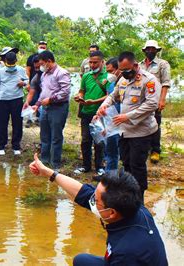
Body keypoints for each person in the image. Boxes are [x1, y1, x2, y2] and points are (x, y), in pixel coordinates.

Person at [29, 154, 168, 266]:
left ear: (112, 212)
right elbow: (82, 192)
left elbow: (125, 256)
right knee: (81, 260)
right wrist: (49, 173)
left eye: (96, 200)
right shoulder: (134, 208)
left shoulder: (126, 253)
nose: (92, 200)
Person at [97, 51, 161, 201]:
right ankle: (129, 196)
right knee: (126, 164)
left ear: (135, 65)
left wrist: (128, 116)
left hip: (141, 131)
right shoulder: (123, 80)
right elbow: (113, 96)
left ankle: (140, 199)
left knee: (137, 166)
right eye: (121, 70)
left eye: (127, 70)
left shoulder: (149, 80)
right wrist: (104, 106)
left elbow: (152, 104)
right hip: (124, 132)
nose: (124, 73)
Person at [32, 50, 71, 170]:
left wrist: (51, 99)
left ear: (49, 61)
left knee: (56, 136)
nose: (41, 66)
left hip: (58, 107)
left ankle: (55, 164)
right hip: (45, 108)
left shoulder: (62, 73)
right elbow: (44, 92)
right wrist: (37, 104)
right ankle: (44, 161)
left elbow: (65, 92)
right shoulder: (44, 74)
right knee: (44, 135)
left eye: (42, 63)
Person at [73, 51, 108, 177]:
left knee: (99, 141)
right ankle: (86, 166)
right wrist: (79, 97)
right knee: (85, 140)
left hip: (100, 113)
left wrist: (94, 101)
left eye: (95, 62)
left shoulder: (108, 77)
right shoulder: (86, 76)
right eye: (91, 62)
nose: (92, 65)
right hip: (86, 112)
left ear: (102, 62)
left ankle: (100, 166)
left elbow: (110, 96)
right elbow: (82, 91)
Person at [139, 40, 171, 164]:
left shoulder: (163, 64)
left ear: (157, 51)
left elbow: (165, 83)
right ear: (144, 50)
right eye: (148, 49)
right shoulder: (140, 64)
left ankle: (155, 150)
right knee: (141, 123)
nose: (150, 51)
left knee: (155, 124)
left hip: (155, 99)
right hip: (142, 100)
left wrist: (162, 100)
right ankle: (144, 148)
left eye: (153, 49)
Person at [0, 52, 28, 155]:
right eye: (8, 63)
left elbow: (28, 81)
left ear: (16, 61)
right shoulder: (1, 71)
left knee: (17, 123)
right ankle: (1, 145)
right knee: (2, 122)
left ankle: (16, 146)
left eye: (12, 63)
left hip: (17, 99)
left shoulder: (21, 70)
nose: (10, 65)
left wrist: (23, 83)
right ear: (5, 62)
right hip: (3, 100)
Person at [104, 57, 122, 172]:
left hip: (119, 121)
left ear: (118, 69)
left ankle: (113, 177)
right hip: (109, 119)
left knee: (116, 151)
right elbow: (108, 99)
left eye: (111, 71)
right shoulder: (111, 84)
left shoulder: (125, 83)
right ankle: (108, 174)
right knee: (109, 149)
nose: (109, 74)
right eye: (108, 72)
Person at [23, 55, 42, 127]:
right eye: (35, 68)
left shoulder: (51, 76)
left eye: (38, 67)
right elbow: (31, 93)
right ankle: (30, 119)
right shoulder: (36, 78)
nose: (37, 70)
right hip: (37, 89)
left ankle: (39, 119)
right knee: (32, 101)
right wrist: (27, 101)